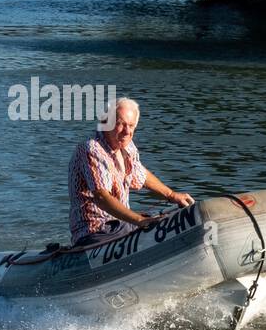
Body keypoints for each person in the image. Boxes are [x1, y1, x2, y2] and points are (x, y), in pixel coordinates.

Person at [68, 97, 194, 246]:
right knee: (148, 226)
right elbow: (101, 197)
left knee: (175, 215)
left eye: (131, 125)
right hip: (95, 230)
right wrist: (139, 221)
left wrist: (171, 195)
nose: (127, 131)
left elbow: (140, 174)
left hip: (122, 225)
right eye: (120, 124)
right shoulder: (92, 149)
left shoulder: (127, 147)